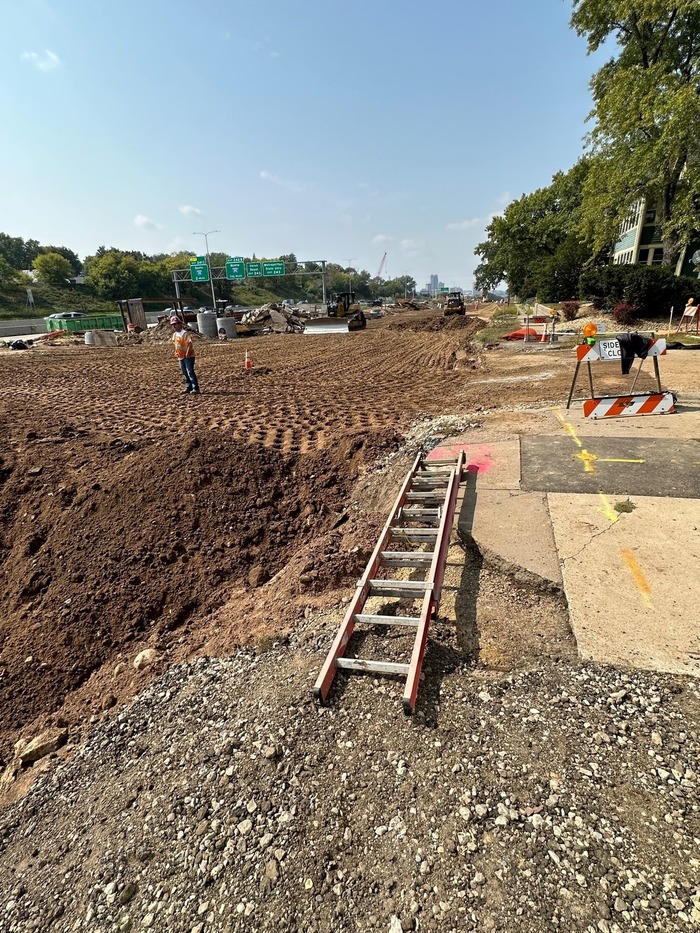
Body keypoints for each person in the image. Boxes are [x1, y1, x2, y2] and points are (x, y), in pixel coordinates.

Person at [170, 315, 200, 394]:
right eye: (173, 325)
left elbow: (190, 344)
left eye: (175, 324)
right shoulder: (175, 335)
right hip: (180, 356)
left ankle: (195, 387)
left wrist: (187, 353)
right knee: (184, 372)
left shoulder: (185, 334)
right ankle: (188, 386)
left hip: (188, 356)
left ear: (179, 324)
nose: (174, 326)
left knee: (190, 371)